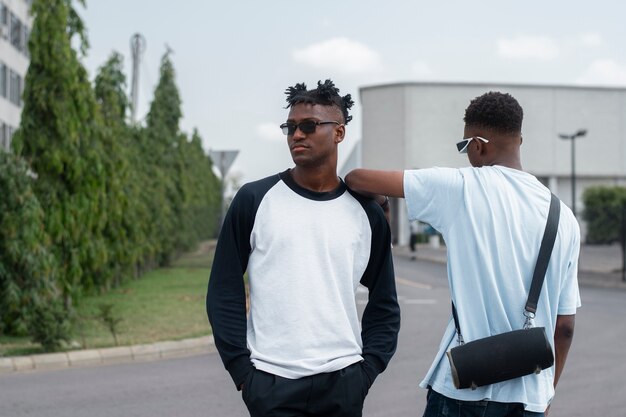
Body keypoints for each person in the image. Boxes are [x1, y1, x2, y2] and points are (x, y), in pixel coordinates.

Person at [345, 91, 580, 416]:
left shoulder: (460, 186)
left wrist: (383, 204)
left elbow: (357, 179)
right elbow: (565, 326)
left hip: (464, 393)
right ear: (520, 140)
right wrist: (547, 395)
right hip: (531, 399)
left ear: (479, 145)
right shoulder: (563, 216)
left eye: (465, 145)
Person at [206, 80, 400, 417]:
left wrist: (367, 372)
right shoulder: (254, 200)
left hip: (344, 382)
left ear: (338, 132)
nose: (297, 135)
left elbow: (385, 303)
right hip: (271, 383)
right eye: (291, 127)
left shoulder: (366, 214)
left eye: (309, 126)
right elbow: (224, 290)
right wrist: (242, 373)